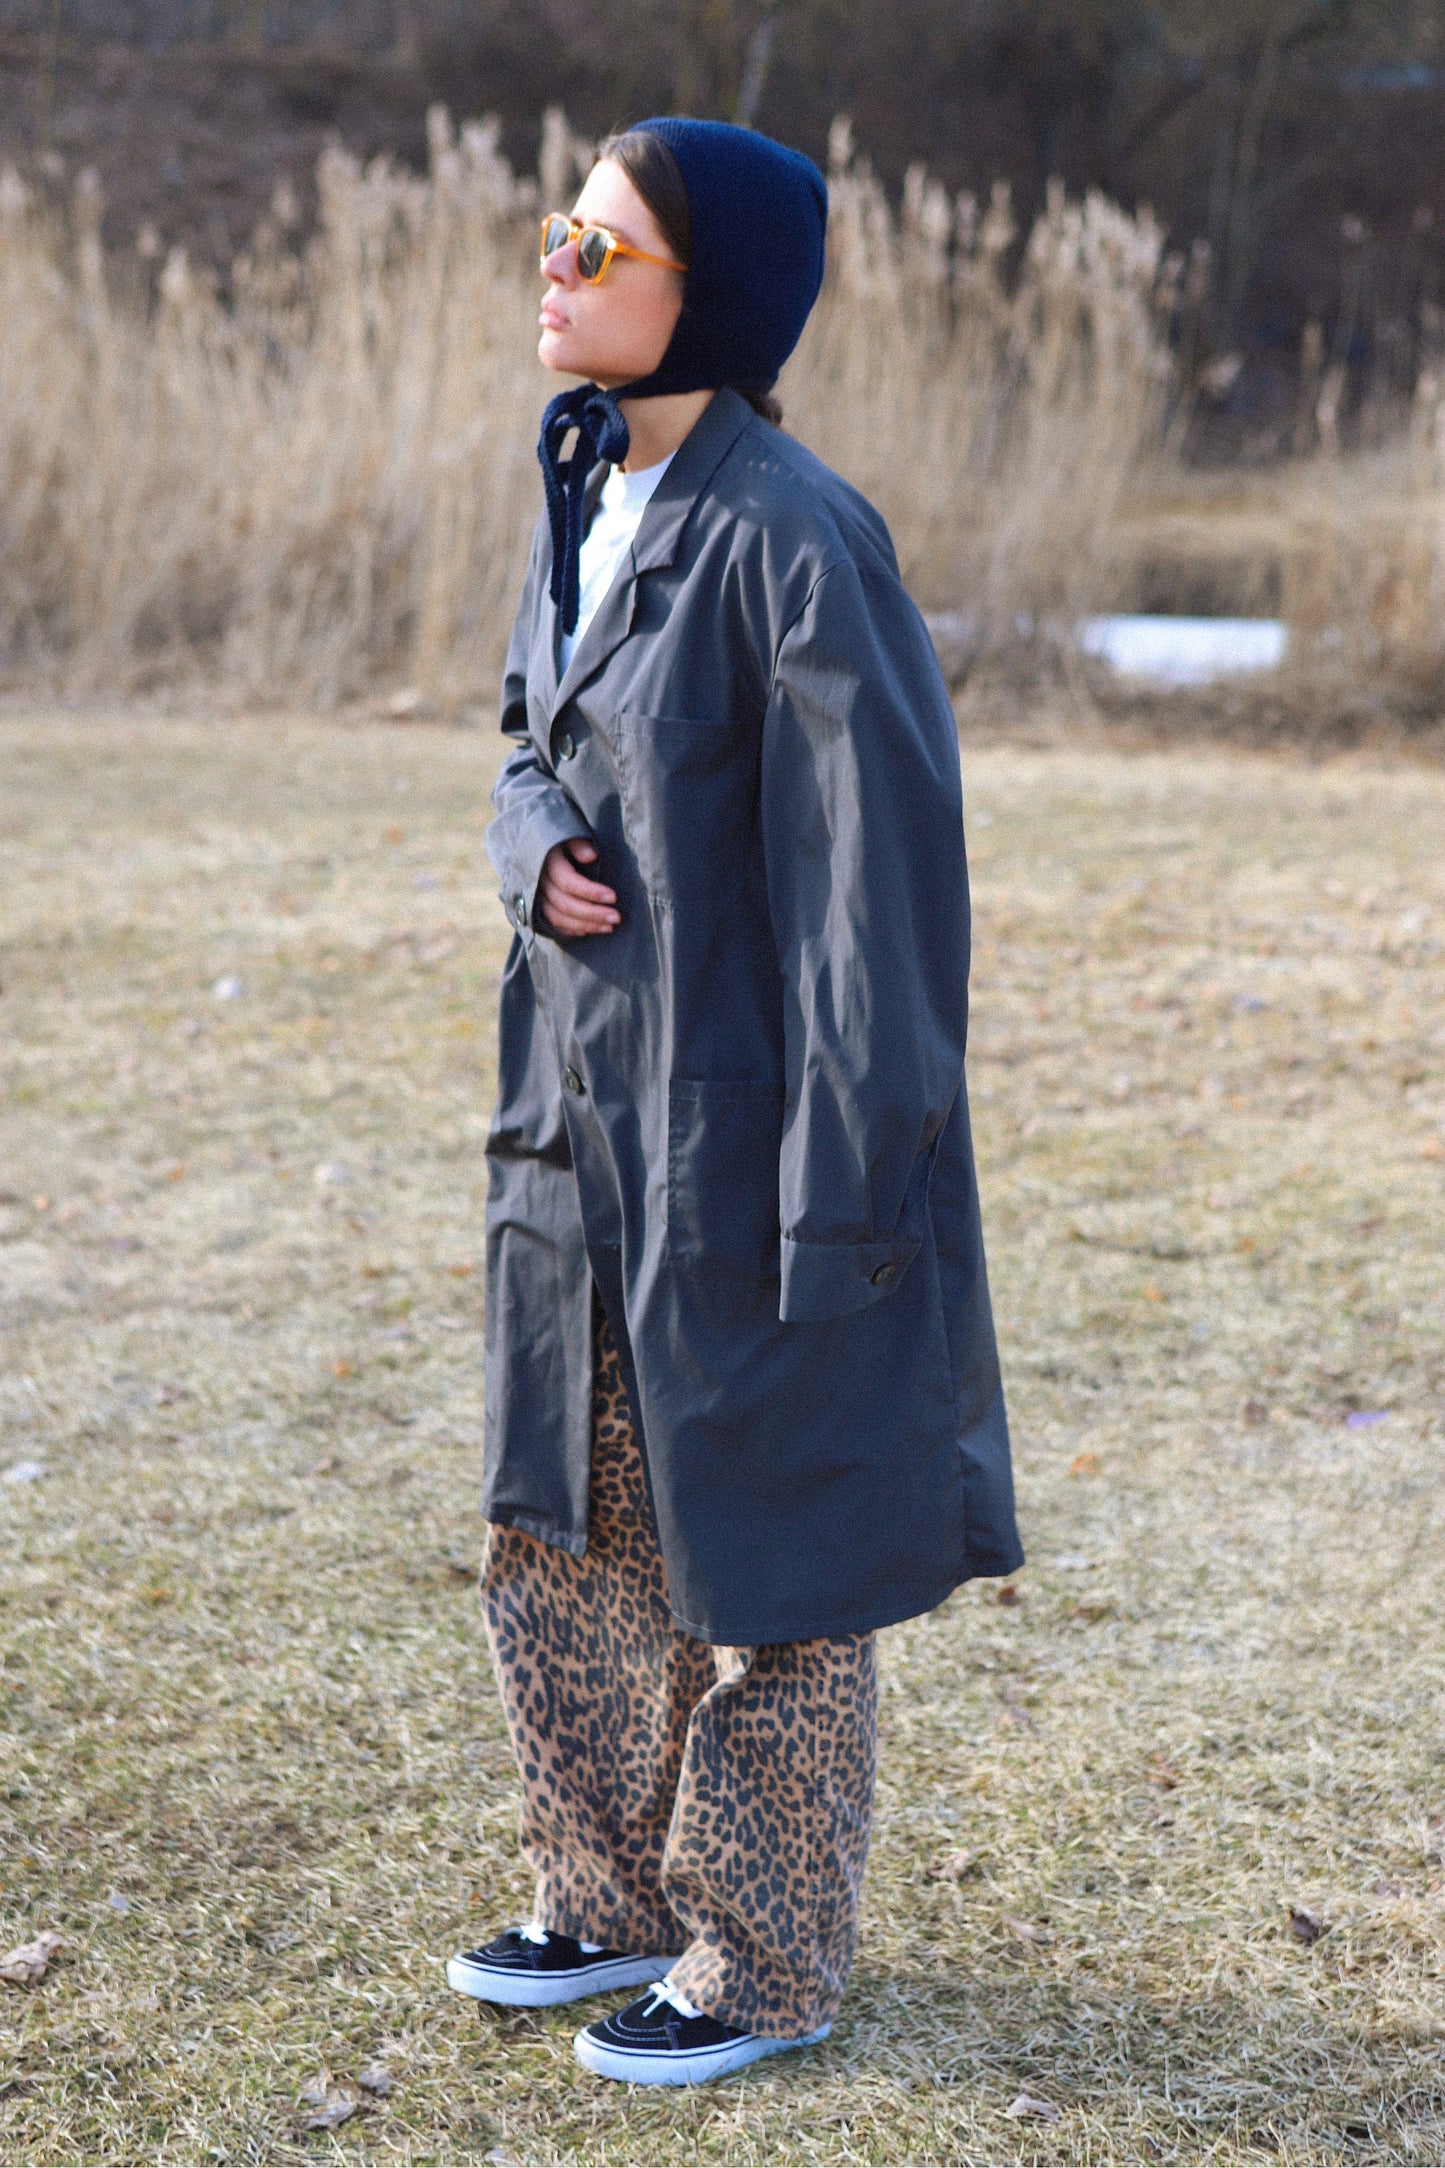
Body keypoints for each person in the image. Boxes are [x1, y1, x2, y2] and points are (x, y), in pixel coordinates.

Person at [447, 116, 1022, 2088]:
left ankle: (758, 1958)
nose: (554, 269)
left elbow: (886, 903)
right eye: (558, 237)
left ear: (712, 301)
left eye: (592, 247)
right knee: (569, 1523)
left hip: (752, 1155)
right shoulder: (590, 487)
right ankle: (595, 1890)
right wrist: (528, 842)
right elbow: (527, 737)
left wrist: (849, 1203)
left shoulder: (798, 538)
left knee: (775, 1564)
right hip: (577, 1144)